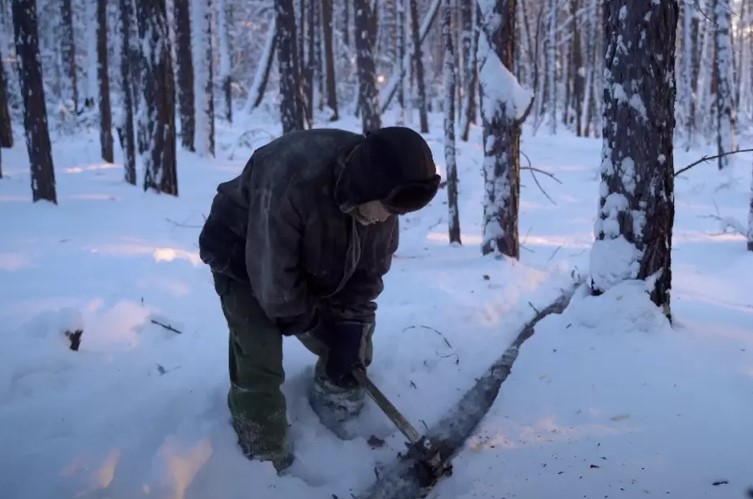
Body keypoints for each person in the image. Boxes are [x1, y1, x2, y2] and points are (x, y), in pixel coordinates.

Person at [198, 126, 440, 472]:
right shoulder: (292, 179)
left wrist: (350, 329)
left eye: (396, 211)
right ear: (368, 186)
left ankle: (339, 414)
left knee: (352, 344)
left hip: (317, 257)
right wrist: (312, 323)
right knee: (259, 355)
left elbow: (367, 276)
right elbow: (273, 282)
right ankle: (265, 461)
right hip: (244, 254)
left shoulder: (385, 198)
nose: (389, 218)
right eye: (387, 208)